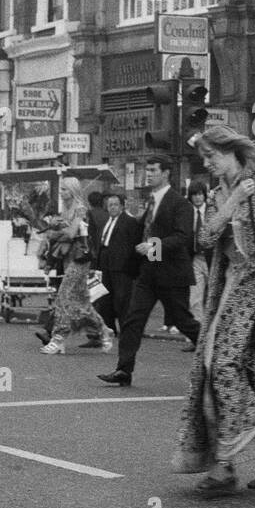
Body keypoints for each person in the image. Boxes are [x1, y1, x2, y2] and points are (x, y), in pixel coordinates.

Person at [173, 125, 255, 495]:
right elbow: (204, 240)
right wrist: (230, 205)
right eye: (203, 158)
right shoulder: (219, 194)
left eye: (211, 155)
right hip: (225, 291)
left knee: (224, 365)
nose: (207, 163)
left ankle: (224, 465)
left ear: (232, 152)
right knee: (245, 374)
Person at [98, 155, 200, 386]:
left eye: (153, 170)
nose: (149, 174)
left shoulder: (180, 204)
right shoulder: (151, 202)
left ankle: (215, 352)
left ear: (166, 173)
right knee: (132, 320)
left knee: (184, 321)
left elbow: (183, 237)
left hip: (172, 274)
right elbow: (141, 230)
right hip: (149, 273)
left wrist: (154, 246)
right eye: (148, 170)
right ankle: (123, 370)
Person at [38, 177, 107, 354]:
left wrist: (56, 231)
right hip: (67, 258)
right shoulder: (65, 210)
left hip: (80, 258)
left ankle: (58, 338)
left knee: (63, 295)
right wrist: (56, 231)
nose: (61, 193)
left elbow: (70, 233)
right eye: (61, 189)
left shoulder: (80, 209)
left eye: (65, 190)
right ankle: (103, 330)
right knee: (82, 301)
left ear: (73, 191)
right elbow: (57, 235)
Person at [94, 192, 141, 338]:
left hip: (121, 265)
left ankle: (126, 329)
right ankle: (109, 328)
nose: (112, 207)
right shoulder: (105, 221)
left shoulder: (129, 221)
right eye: (110, 205)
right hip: (105, 263)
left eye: (115, 204)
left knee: (122, 299)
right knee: (105, 298)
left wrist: (131, 265)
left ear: (121, 206)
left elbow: (134, 242)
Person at [187, 183, 216, 329]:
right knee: (195, 297)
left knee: (213, 295)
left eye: (200, 194)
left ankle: (213, 330)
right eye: (194, 194)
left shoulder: (212, 211)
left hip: (213, 258)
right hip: (195, 258)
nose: (197, 198)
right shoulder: (187, 213)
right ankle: (198, 333)